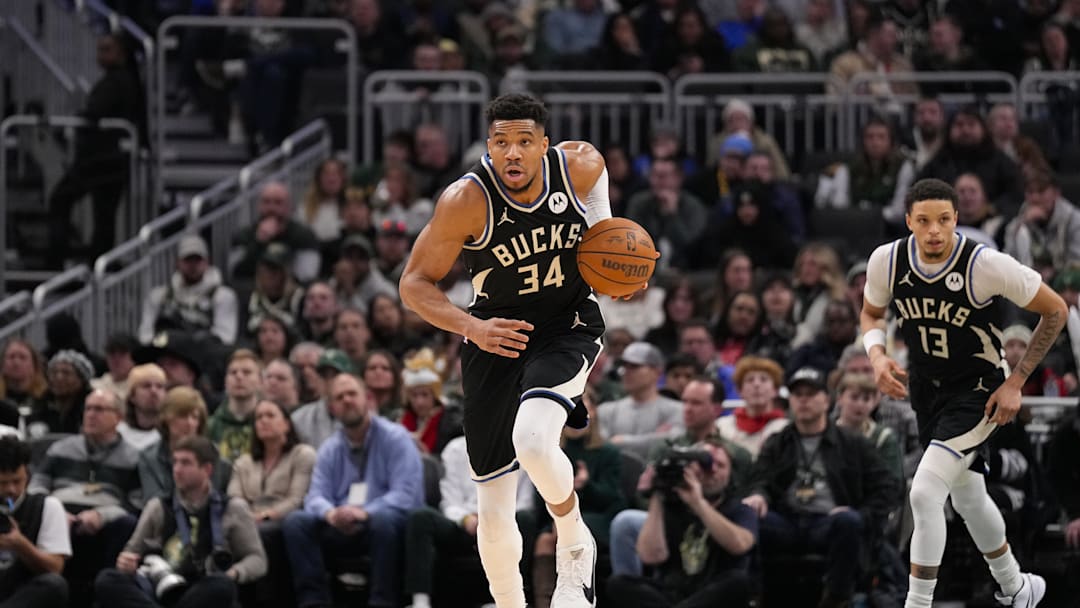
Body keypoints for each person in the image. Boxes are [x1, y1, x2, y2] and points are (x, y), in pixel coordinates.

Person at [400, 93, 649, 608]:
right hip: (495, 337)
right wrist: (472, 327)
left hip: (567, 324)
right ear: (488, 146)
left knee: (534, 440)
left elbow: (604, 228)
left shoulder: (579, 165)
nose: (511, 153)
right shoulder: (465, 201)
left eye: (523, 142)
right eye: (500, 143)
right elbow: (414, 284)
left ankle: (575, 542)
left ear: (543, 144)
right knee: (492, 509)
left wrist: (608, 248)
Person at [860, 178, 1068, 608]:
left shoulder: (984, 264)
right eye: (923, 221)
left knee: (923, 491)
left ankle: (916, 604)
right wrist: (878, 357)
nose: (934, 230)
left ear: (956, 219)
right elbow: (870, 313)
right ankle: (1016, 586)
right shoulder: (887, 260)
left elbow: (1056, 310)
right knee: (968, 497)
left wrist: (1017, 382)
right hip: (926, 387)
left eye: (944, 220)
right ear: (908, 222)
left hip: (980, 389)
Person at [743, 368, 898, 608]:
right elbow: (758, 478)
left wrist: (860, 514)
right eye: (798, 395)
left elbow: (886, 487)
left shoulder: (852, 443)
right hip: (787, 520)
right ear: (790, 401)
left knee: (848, 522)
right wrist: (758, 495)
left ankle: (836, 600)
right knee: (749, 515)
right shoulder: (778, 442)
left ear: (827, 400)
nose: (803, 400)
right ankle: (755, 596)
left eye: (811, 394)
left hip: (829, 521)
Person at [281, 373, 422, 608]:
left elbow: (405, 494)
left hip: (382, 524)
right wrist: (330, 514)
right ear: (332, 408)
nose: (347, 400)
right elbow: (315, 496)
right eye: (339, 397)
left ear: (367, 399)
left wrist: (365, 512)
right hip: (340, 524)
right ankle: (314, 602)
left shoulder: (396, 438)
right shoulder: (329, 448)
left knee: (385, 520)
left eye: (352, 394)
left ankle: (382, 602)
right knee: (296, 522)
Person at [94, 436, 267, 608]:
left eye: (186, 463)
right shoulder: (158, 506)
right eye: (175, 462)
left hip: (205, 588)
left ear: (207, 469)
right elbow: (132, 552)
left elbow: (257, 559)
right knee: (107, 579)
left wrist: (234, 573)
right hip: (162, 587)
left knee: (222, 586)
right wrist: (126, 563)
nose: (177, 469)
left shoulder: (233, 508)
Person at [607, 440, 757, 608]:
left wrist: (698, 504)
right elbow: (651, 556)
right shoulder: (673, 506)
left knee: (739, 583)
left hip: (712, 593)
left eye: (721, 466)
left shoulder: (739, 509)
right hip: (674, 593)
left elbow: (741, 545)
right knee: (618, 583)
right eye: (705, 464)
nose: (712, 470)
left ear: (730, 475)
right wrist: (657, 493)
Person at [0, 437, 70, 608]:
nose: (11, 490)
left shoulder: (47, 506)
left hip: (19, 592)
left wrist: (20, 544)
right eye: (2, 483)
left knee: (54, 585)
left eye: (17, 481)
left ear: (28, 476)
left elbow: (54, 568)